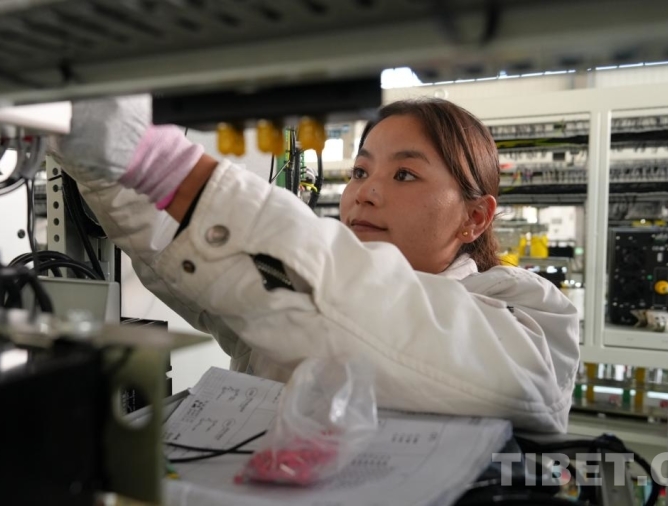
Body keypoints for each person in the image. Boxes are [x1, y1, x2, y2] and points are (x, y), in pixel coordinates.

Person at [50, 96, 580, 433]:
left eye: (404, 175)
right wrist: (94, 159)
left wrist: (162, 163)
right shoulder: (296, 300)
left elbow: (382, 320)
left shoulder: (530, 319)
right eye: (360, 172)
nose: (365, 193)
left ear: (474, 217)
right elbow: (175, 250)